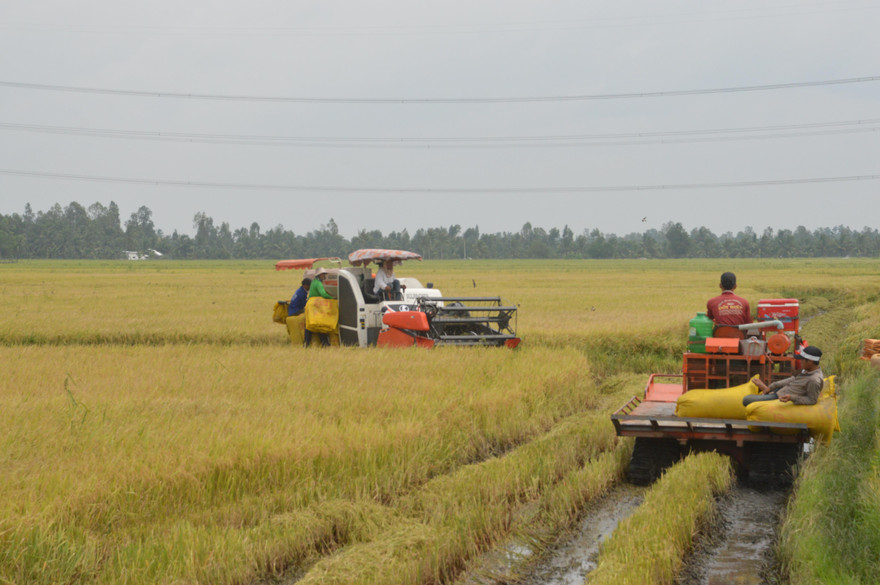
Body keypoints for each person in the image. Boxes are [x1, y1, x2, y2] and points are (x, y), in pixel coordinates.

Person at [743, 346, 824, 406]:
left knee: (746, 399)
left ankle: (768, 393)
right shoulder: (807, 370)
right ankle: (767, 390)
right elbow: (791, 380)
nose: (800, 361)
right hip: (781, 389)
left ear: (810, 361)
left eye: (802, 359)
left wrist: (792, 398)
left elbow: (812, 400)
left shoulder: (814, 380)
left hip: (781, 396)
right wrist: (771, 387)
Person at [304, 269, 333, 348]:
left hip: (310, 304)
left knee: (310, 325)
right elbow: (323, 294)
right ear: (319, 275)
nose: (324, 276)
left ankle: (306, 344)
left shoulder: (313, 282)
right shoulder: (319, 283)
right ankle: (325, 343)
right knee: (320, 324)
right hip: (315, 305)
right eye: (323, 274)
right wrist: (332, 298)